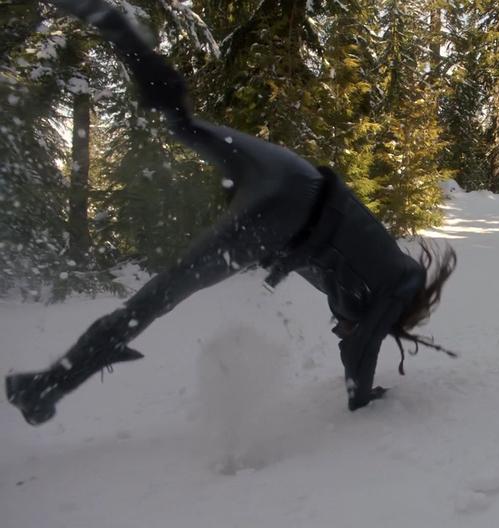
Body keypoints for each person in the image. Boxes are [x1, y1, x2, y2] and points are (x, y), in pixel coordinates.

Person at [6, 0, 456, 426]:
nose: (339, 328)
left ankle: (113, 23)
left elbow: (354, 339)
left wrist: (355, 339)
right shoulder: (399, 286)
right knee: (161, 295)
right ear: (399, 315)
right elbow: (363, 343)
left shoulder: (368, 280)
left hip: (287, 170)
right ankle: (45, 387)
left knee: (182, 122)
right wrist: (360, 398)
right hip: (287, 207)